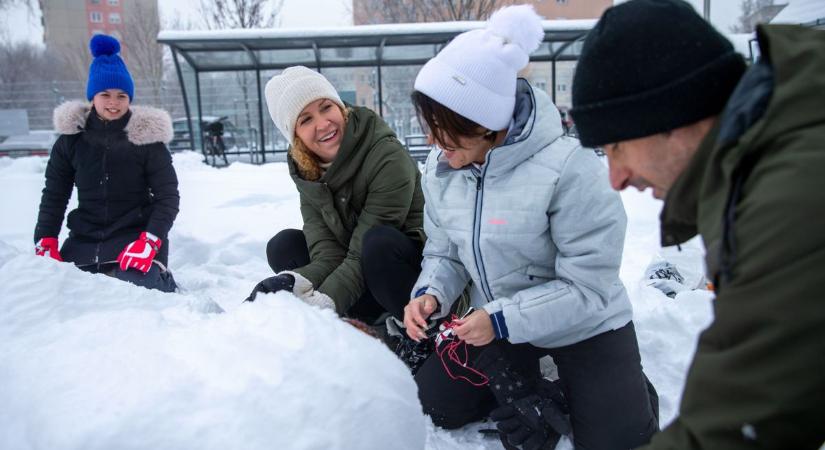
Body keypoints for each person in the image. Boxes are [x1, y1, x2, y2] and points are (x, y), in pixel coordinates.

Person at [379, 5, 659, 449]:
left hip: (583, 323)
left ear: (485, 125)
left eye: (442, 130)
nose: (432, 142)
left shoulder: (571, 168)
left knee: (617, 438)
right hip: (501, 323)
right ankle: (543, 385)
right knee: (438, 404)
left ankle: (617, 384)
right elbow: (444, 251)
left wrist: (502, 318)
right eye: (427, 127)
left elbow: (589, 286)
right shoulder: (442, 167)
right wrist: (431, 292)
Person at [569, 0, 825, 448]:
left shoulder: (787, 195)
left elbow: (739, 424)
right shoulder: (768, 158)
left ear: (669, 113)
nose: (616, 178)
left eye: (615, 148)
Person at [247, 66, 425, 324]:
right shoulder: (307, 170)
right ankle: (359, 319)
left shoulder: (386, 156)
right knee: (283, 246)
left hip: (408, 275)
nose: (323, 123)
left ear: (340, 107)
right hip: (358, 271)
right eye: (305, 120)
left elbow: (362, 251)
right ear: (294, 135)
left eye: (326, 107)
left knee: (377, 243)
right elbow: (327, 252)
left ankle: (415, 333)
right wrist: (292, 282)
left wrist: (322, 303)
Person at [34, 34, 179, 293]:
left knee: (139, 293)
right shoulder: (71, 142)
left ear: (130, 98)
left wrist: (151, 239)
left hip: (135, 240)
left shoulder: (147, 141)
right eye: (106, 94)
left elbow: (167, 197)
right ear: (93, 96)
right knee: (58, 291)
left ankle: (164, 280)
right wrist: (46, 237)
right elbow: (55, 195)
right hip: (84, 241)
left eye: (122, 95)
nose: (114, 102)